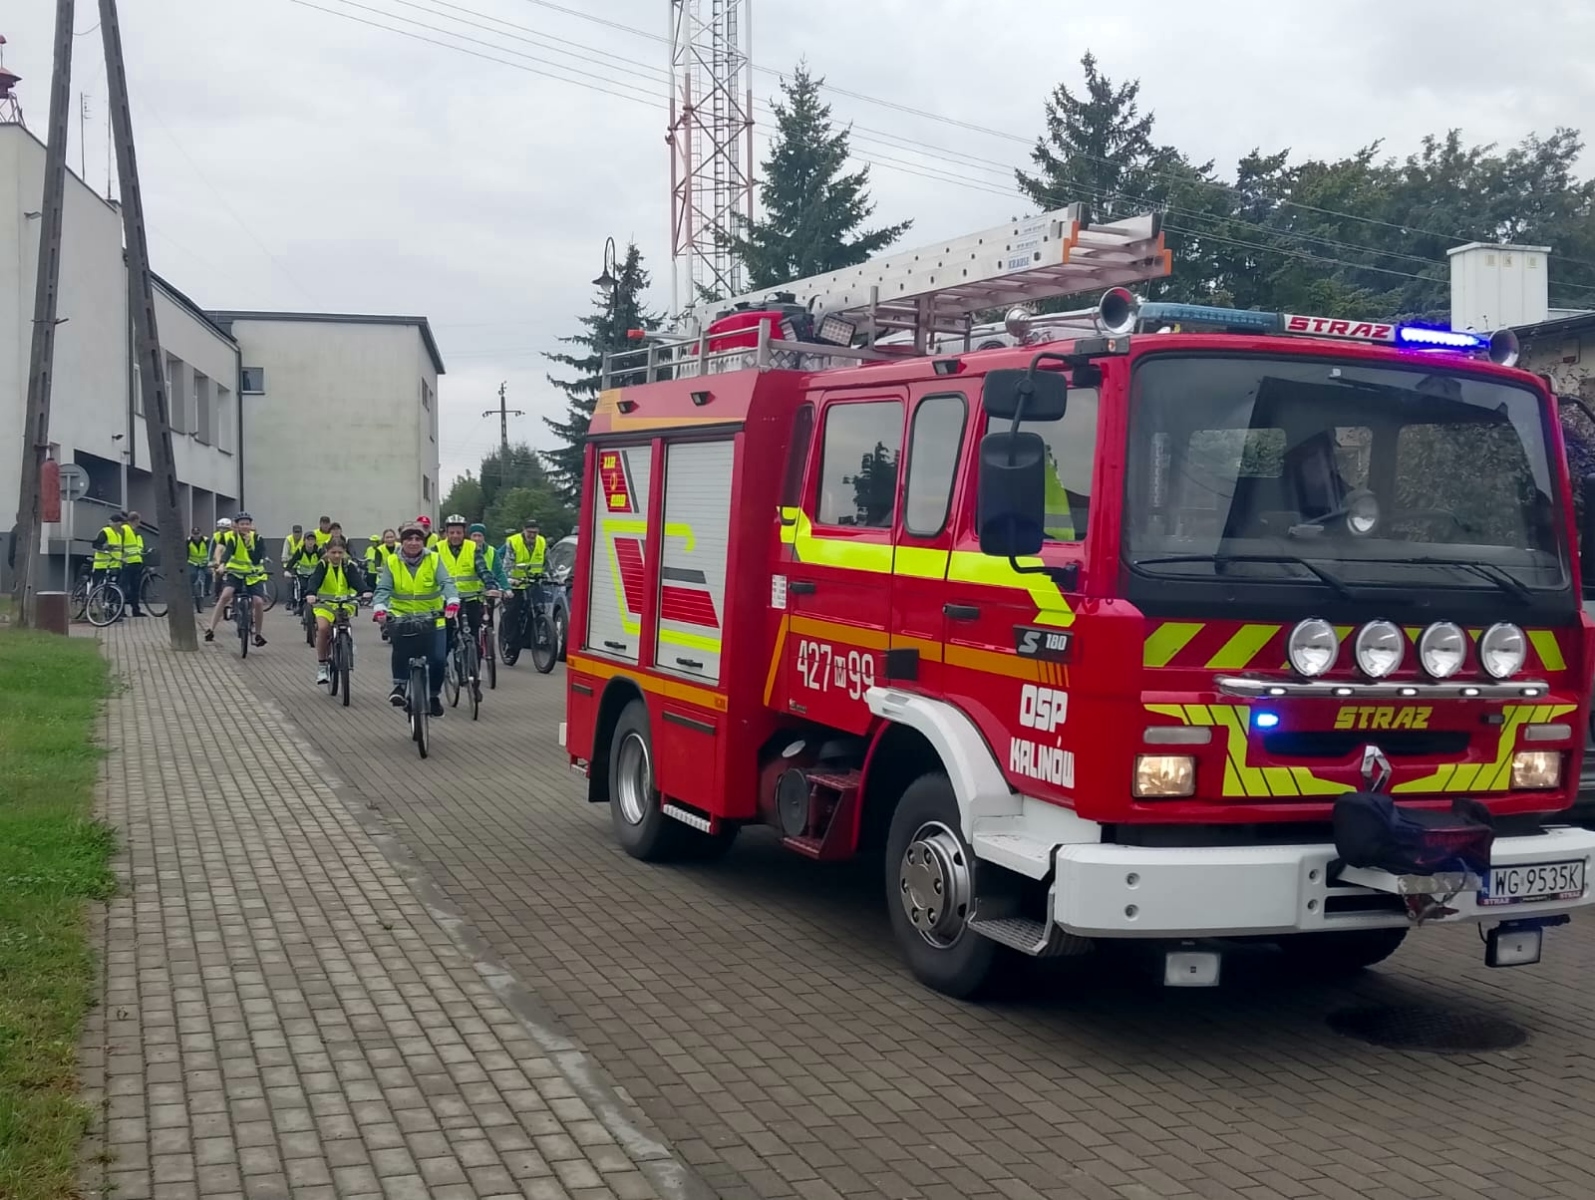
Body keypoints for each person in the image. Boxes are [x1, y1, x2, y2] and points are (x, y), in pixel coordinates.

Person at [373, 523, 457, 716]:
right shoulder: (392, 561)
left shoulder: (434, 559)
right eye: (409, 539)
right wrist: (380, 608)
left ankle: (434, 697)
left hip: (433, 617)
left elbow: (446, 582)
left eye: (418, 539)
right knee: (401, 651)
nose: (413, 542)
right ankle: (399, 686)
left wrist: (452, 601)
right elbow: (383, 588)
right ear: (402, 542)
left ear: (423, 542)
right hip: (402, 617)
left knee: (438, 659)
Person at [303, 540, 372, 685]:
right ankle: (322, 666)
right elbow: (314, 581)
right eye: (333, 552)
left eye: (340, 552)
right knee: (323, 629)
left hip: (344, 603)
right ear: (327, 552)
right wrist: (311, 593)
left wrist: (365, 590)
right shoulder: (322, 565)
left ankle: (347, 644)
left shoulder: (348, 565)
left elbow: (356, 581)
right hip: (325, 604)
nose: (336, 555)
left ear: (344, 552)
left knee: (344, 623)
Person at [436, 514, 501, 655]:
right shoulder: (437, 549)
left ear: (464, 533)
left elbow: (482, 569)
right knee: (445, 635)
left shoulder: (472, 547)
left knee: (473, 633)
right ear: (446, 533)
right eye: (452, 532)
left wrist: (491, 585)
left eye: (458, 532)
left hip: (470, 598)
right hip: (445, 600)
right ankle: (444, 664)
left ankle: (473, 665)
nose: (455, 536)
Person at [206, 512, 269, 646]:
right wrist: (222, 565)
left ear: (251, 525)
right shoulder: (233, 539)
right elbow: (227, 553)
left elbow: (257, 558)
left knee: (258, 602)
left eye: (247, 524)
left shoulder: (258, 539)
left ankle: (258, 635)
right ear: (237, 526)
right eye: (242, 524)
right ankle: (211, 629)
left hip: (254, 575)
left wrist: (249, 545)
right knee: (225, 596)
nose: (245, 526)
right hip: (235, 574)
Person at [503, 517, 548, 646]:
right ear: (523, 530)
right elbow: (508, 564)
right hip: (516, 583)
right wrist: (511, 579)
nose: (532, 535)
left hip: (533, 582)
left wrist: (552, 576)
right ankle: (510, 643)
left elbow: (547, 562)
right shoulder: (513, 541)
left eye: (535, 532)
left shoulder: (542, 541)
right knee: (512, 612)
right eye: (530, 532)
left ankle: (534, 637)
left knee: (539, 608)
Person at [117, 510, 148, 617]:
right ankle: (121, 610)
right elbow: (119, 544)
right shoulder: (125, 529)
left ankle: (135, 610)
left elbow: (138, 547)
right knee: (124, 587)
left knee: (135, 588)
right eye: (139, 520)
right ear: (136, 520)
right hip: (127, 563)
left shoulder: (136, 532)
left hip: (136, 562)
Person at [90, 511, 126, 590]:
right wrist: (106, 548)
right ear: (112, 523)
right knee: (97, 586)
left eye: (120, 523)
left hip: (114, 565)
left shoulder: (118, 535)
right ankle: (91, 595)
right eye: (118, 523)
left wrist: (122, 558)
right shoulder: (105, 532)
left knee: (112, 587)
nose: (120, 525)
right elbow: (96, 545)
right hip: (102, 565)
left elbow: (119, 550)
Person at [186, 527, 211, 609]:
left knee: (209, 574)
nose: (196, 536)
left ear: (201, 534)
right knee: (192, 575)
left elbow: (210, 551)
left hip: (204, 562)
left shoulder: (206, 540)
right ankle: (191, 592)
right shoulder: (188, 541)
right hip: (193, 562)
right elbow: (186, 552)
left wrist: (209, 561)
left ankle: (207, 589)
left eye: (197, 534)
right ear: (192, 534)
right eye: (194, 534)